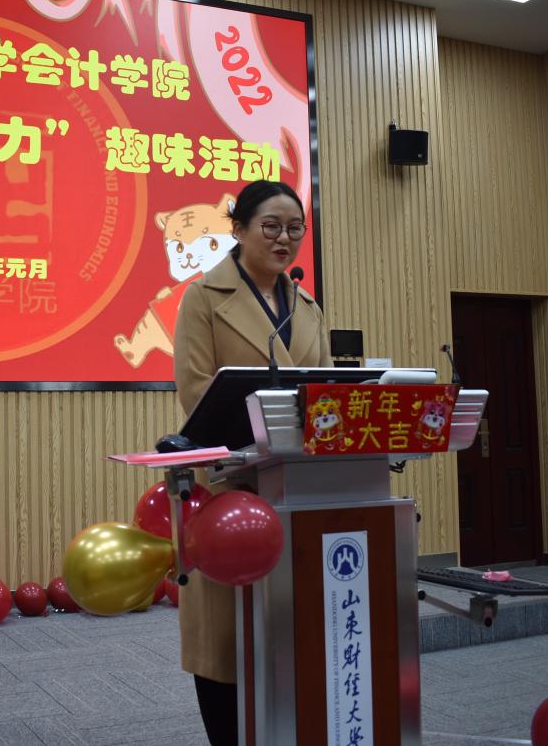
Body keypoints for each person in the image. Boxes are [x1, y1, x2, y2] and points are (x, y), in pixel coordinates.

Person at [172, 179, 330, 746]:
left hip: (300, 491)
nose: (284, 238)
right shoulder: (203, 297)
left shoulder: (308, 305)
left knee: (293, 636)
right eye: (271, 226)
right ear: (238, 229)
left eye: (295, 228)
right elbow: (197, 391)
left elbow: (324, 394)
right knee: (227, 644)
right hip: (232, 491)